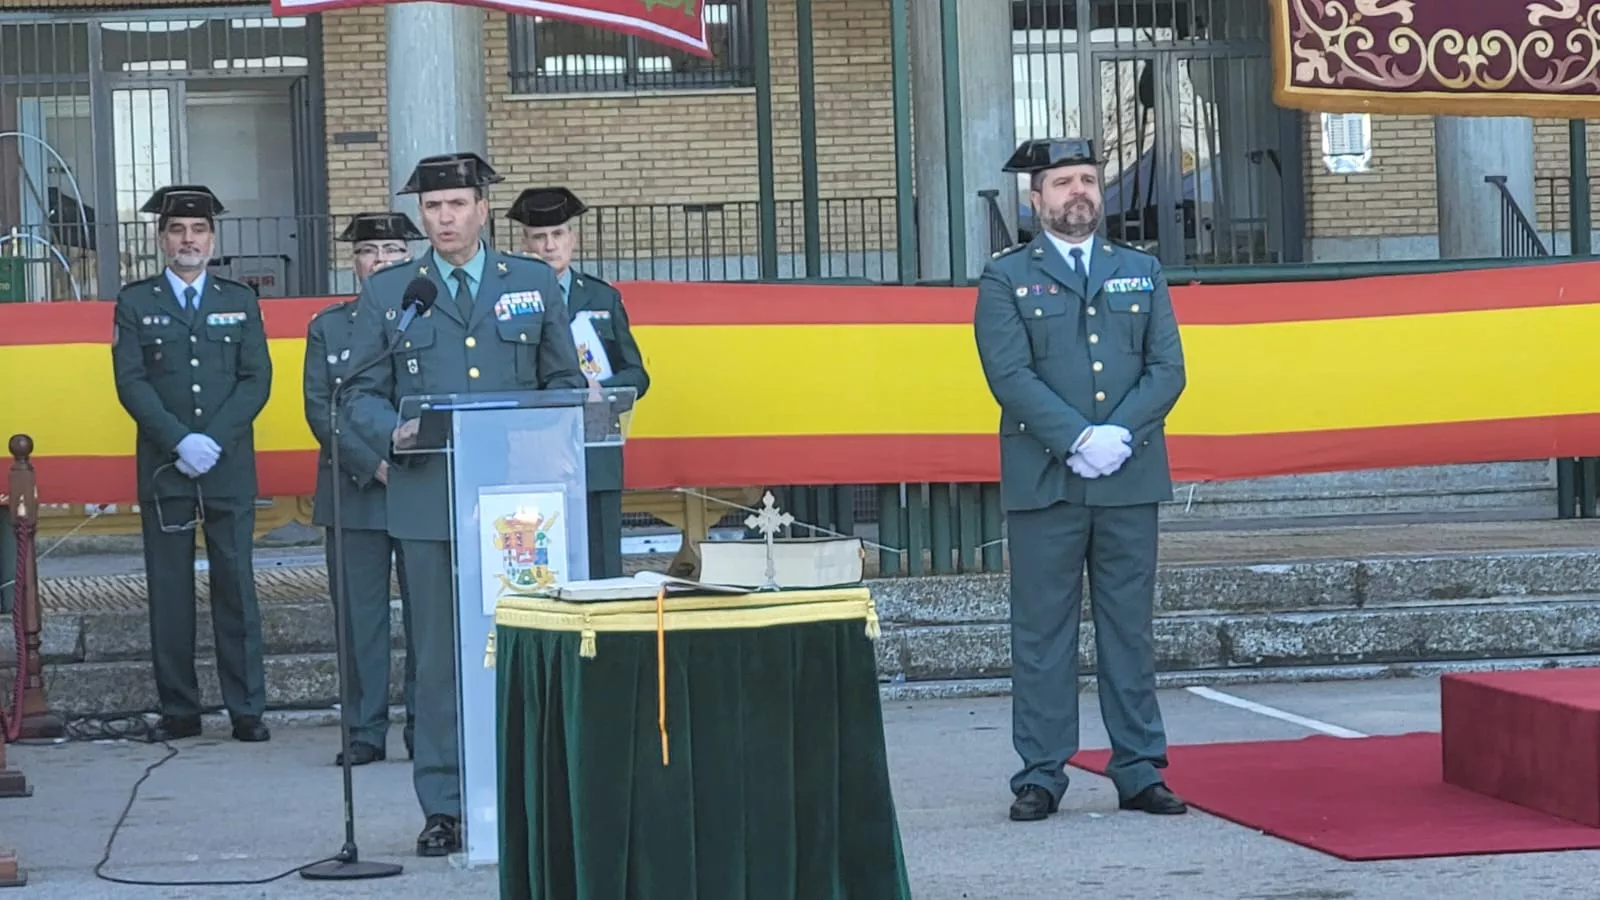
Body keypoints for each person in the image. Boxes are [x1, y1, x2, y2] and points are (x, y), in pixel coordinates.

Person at [343, 152, 586, 856]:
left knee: (526, 648)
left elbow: (562, 383)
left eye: (455, 205)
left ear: (482, 209)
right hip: (428, 502)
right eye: (432, 208)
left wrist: (539, 436)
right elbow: (357, 392)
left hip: (519, 505)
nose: (443, 219)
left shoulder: (532, 282)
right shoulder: (394, 292)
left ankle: (531, 791)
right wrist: (392, 432)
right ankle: (445, 806)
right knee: (439, 661)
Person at [972, 138, 1188, 822]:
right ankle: (1041, 771)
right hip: (1046, 482)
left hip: (1128, 478)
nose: (1079, 193)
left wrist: (1119, 435)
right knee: (1042, 633)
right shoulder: (1006, 279)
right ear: (1035, 199)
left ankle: (1138, 769)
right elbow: (1009, 375)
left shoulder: (1140, 270)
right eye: (1063, 182)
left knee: (1131, 630)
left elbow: (1168, 369)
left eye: (1088, 180)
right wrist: (1077, 440)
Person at [109, 184, 272, 744]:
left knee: (237, 587)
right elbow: (130, 381)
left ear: (212, 238)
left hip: (227, 465)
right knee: (169, 589)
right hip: (166, 465)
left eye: (197, 230)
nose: (188, 240)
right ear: (161, 239)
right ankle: (180, 707)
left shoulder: (240, 299)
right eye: (177, 231)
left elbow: (257, 379)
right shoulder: (136, 302)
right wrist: (180, 441)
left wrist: (214, 440)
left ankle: (246, 707)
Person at [302, 211, 424, 765]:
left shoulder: (433, 314)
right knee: (360, 620)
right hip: (354, 489)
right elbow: (319, 408)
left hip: (422, 488)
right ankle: (363, 731)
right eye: (370, 251)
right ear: (354, 264)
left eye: (394, 250)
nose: (381, 260)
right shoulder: (330, 326)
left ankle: (428, 729)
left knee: (428, 619)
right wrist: (373, 464)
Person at [506, 186, 651, 579]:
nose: (549, 245)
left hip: (594, 450)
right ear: (524, 242)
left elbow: (638, 374)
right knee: (539, 568)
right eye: (539, 237)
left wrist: (605, 392)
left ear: (573, 238)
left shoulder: (601, 298)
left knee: (602, 568)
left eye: (558, 234)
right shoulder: (508, 300)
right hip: (534, 454)